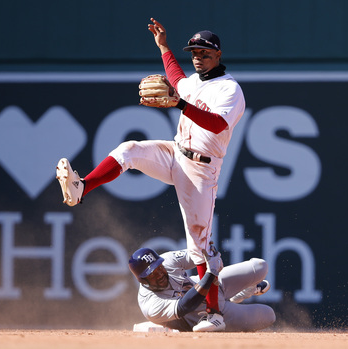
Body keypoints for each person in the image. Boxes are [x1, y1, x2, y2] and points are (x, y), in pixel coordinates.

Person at [56, 18, 245, 331]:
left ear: (219, 54)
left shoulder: (230, 89)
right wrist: (163, 47)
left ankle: (215, 315)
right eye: (194, 51)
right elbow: (175, 76)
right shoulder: (194, 82)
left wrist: (180, 103)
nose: (197, 56)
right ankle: (82, 187)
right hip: (175, 153)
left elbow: (216, 125)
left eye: (204, 52)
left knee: (199, 245)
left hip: (201, 169)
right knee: (129, 149)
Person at [128, 247, 275, 332]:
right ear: (142, 280)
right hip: (207, 317)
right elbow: (186, 305)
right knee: (269, 315)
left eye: (159, 267)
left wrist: (210, 253)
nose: (159, 273)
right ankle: (235, 297)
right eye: (152, 273)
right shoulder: (150, 304)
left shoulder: (168, 260)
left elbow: (198, 254)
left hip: (213, 284)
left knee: (260, 266)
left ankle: (243, 292)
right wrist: (210, 274)